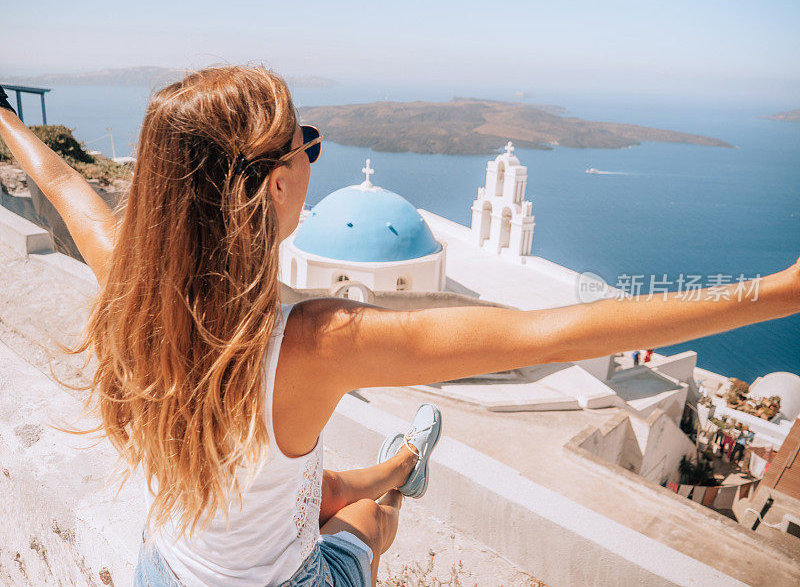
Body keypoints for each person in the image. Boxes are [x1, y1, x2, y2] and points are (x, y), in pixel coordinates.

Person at [1, 67, 799, 587]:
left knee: (315, 487)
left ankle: (397, 464)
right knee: (367, 522)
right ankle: (401, 476)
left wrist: (7, 120)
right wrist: (777, 291)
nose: (314, 155)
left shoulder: (131, 290)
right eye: (308, 144)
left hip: (165, 568)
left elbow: (67, 187)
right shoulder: (313, 341)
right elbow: (550, 335)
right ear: (278, 187)